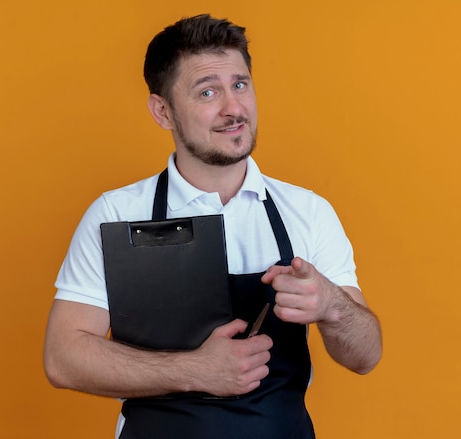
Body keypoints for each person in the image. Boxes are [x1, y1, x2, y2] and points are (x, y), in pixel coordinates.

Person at [43, 13, 382, 439]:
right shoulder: (116, 214)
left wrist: (333, 305)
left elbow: (366, 356)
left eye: (240, 85)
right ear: (163, 111)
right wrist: (196, 370)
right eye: (207, 92)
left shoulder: (307, 212)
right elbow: (63, 357)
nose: (233, 108)